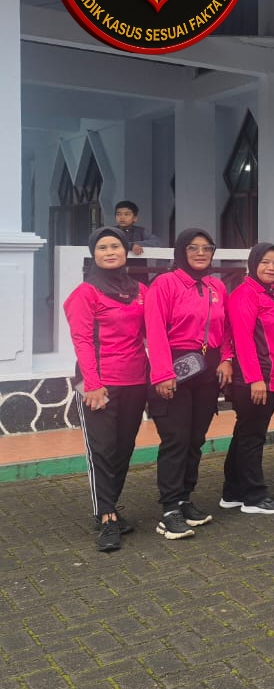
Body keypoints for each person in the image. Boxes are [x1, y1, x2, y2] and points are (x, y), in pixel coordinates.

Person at [63, 226, 149, 553]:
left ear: (126, 251)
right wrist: (93, 384)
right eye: (102, 247)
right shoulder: (85, 293)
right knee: (102, 450)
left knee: (123, 448)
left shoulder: (140, 291)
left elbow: (153, 331)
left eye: (115, 246)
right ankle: (107, 517)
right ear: (94, 254)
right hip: (99, 384)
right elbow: (82, 340)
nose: (110, 252)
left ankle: (109, 506)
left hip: (135, 380)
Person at [145, 228, 233, 540]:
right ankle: (169, 509)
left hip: (207, 370)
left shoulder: (215, 286)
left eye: (206, 248)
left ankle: (184, 498)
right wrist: (162, 373)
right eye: (193, 248)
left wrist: (226, 358)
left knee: (196, 438)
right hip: (175, 369)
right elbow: (155, 329)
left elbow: (226, 328)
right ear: (182, 251)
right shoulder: (165, 284)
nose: (200, 253)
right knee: (176, 439)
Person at [223, 243, 274, 515]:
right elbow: (242, 340)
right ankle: (254, 497)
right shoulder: (245, 294)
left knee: (245, 434)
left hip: (272, 376)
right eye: (265, 262)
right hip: (255, 379)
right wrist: (255, 379)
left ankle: (232, 492)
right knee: (252, 437)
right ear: (253, 264)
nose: (271, 268)